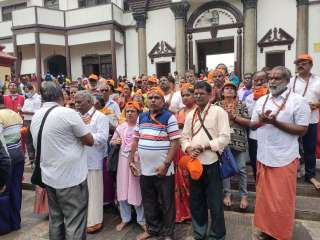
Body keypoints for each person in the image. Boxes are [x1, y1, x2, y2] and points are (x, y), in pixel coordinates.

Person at [251, 66, 310, 240]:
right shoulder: (261, 100)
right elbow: (253, 125)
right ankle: (265, 229)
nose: (272, 81)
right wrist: (261, 121)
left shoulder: (298, 101)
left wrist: (276, 123)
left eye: (277, 78)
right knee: (264, 199)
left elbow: (302, 130)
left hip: (284, 157)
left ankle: (279, 234)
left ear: (287, 81)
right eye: (271, 78)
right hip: (263, 155)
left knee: (281, 200)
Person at [30, 81, 94, 240]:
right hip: (70, 179)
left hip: (49, 177)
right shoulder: (68, 113)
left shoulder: (37, 115)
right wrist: (83, 126)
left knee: (56, 219)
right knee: (75, 221)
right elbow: (89, 140)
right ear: (60, 95)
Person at [181, 81, 230, 240]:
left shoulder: (218, 112)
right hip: (194, 164)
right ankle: (199, 233)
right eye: (195, 93)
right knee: (196, 201)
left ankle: (217, 235)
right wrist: (189, 148)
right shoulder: (191, 114)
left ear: (210, 95)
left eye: (201, 93)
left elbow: (225, 138)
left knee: (215, 202)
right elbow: (184, 137)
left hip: (212, 163)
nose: (198, 96)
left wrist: (204, 146)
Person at [130, 87, 180, 240]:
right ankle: (152, 230)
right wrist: (132, 160)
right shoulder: (142, 117)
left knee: (166, 202)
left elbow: (175, 142)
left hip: (163, 169)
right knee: (149, 200)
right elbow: (136, 139)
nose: (153, 100)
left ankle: (168, 233)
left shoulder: (169, 117)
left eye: (156, 97)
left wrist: (165, 164)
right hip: (145, 169)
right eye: (150, 97)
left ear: (162, 100)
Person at [75, 91, 109, 234]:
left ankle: (95, 220)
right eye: (75, 102)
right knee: (80, 193)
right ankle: (82, 219)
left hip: (93, 159)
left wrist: (84, 137)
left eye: (79, 102)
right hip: (77, 160)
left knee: (94, 191)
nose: (76, 105)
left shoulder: (100, 117)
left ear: (89, 102)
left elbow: (102, 138)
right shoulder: (76, 116)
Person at [111, 101, 145, 232]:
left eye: (133, 111)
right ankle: (125, 218)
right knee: (123, 188)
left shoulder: (142, 127)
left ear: (138, 113)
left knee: (136, 188)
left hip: (137, 161)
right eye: (127, 111)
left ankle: (141, 220)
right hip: (123, 161)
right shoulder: (121, 127)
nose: (129, 113)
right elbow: (112, 141)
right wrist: (115, 142)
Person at [216, 82, 250, 209]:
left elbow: (248, 122)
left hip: (239, 140)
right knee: (226, 169)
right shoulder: (217, 105)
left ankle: (244, 196)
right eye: (227, 88)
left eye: (232, 89)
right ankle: (227, 194)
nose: (229, 90)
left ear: (235, 92)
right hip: (223, 142)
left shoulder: (241, 105)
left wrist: (234, 117)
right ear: (222, 92)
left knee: (241, 169)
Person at [289, 54, 320, 190]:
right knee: (291, 147)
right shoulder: (290, 81)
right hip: (292, 120)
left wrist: (317, 104)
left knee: (310, 148)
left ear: (311, 65)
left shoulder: (318, 81)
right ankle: (291, 173)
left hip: (311, 120)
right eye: (298, 63)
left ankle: (310, 175)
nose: (300, 65)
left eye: (304, 63)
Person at [0, 96, 24, 235]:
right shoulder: (14, 114)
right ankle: (16, 222)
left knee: (4, 190)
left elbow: (1, 141)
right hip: (18, 155)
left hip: (5, 159)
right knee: (16, 189)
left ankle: (6, 224)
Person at [175, 83, 196, 223]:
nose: (185, 98)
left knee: (191, 180)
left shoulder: (198, 110)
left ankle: (194, 211)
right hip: (179, 149)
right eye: (183, 95)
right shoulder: (180, 112)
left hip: (194, 149)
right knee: (180, 181)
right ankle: (182, 212)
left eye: (188, 95)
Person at [245, 71, 268, 179]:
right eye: (256, 80)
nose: (258, 82)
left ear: (266, 81)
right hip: (254, 135)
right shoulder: (249, 97)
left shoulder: (272, 96)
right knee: (254, 160)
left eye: (261, 80)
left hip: (269, 135)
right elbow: (248, 115)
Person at [21, 83, 42, 165]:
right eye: (25, 92)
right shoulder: (26, 100)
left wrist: (27, 112)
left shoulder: (39, 98)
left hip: (35, 121)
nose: (27, 93)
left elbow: (39, 111)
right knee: (28, 141)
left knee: (36, 140)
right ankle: (31, 159)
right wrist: (21, 111)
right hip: (26, 122)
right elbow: (23, 111)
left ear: (32, 89)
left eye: (28, 91)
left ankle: (39, 159)